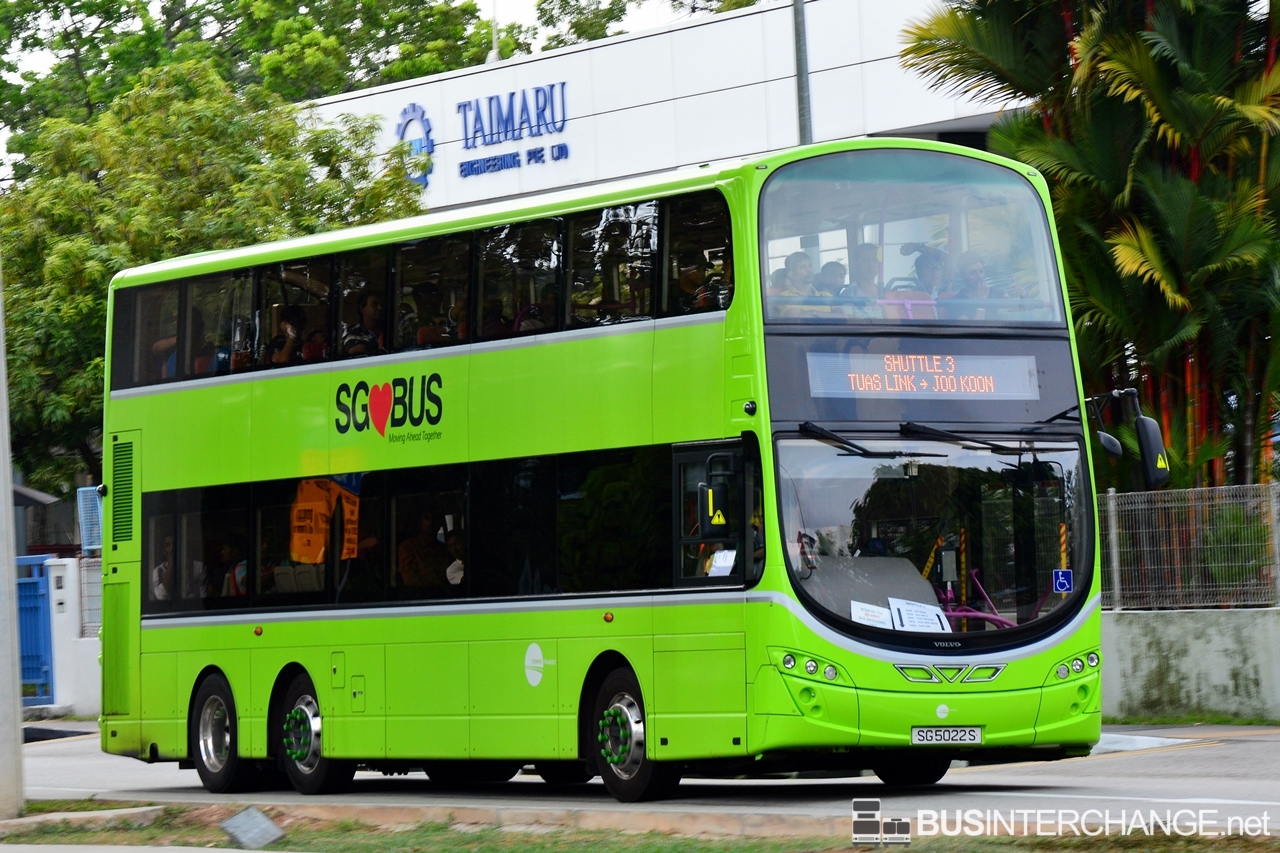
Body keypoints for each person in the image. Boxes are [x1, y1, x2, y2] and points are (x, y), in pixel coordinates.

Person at [397, 510, 452, 588]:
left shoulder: (445, 548)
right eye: (426, 518)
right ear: (420, 523)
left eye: (435, 518)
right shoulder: (408, 546)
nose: (431, 522)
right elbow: (410, 579)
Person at [342, 289, 387, 356]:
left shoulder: (390, 330)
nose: (380, 308)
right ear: (362, 309)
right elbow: (353, 350)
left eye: (382, 305)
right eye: (374, 304)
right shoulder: (354, 332)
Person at [151, 533, 175, 601]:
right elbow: (160, 596)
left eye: (173, 543)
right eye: (168, 545)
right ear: (164, 551)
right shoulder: (159, 570)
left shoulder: (198, 567)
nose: (172, 548)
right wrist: (170, 565)